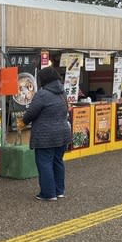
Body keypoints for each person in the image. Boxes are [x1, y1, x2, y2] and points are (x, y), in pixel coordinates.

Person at [21, 66, 72, 201]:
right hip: (62, 133)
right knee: (57, 161)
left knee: (45, 163)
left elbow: (30, 113)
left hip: (46, 136)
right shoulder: (62, 93)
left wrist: (23, 121)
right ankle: (59, 191)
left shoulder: (42, 94)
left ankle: (48, 193)